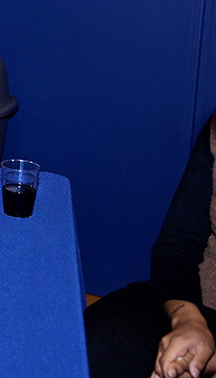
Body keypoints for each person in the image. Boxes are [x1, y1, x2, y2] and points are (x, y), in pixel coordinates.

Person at [85, 111, 216, 378]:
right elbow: (178, 246)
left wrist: (200, 362)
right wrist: (187, 318)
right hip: (196, 302)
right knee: (92, 344)